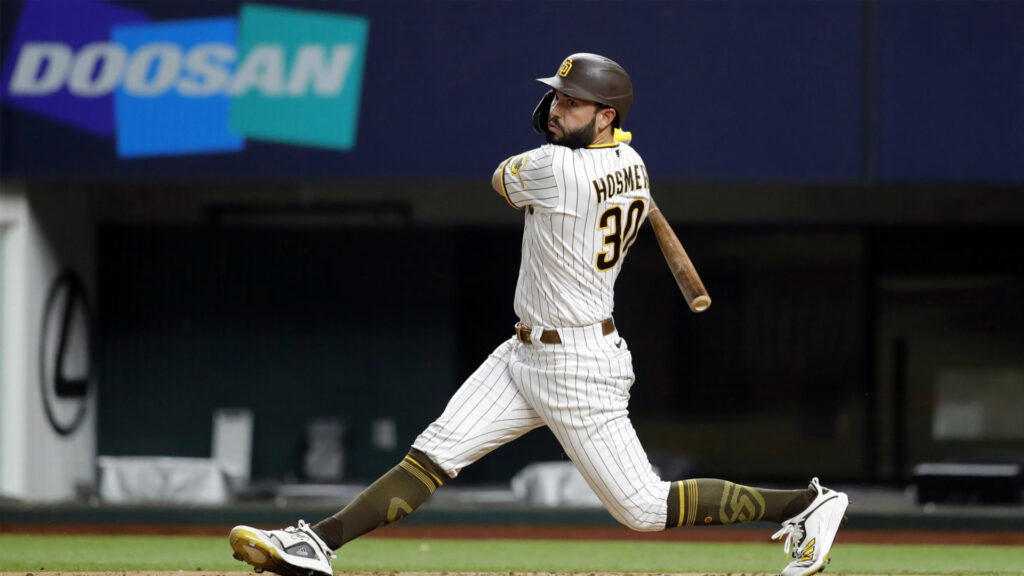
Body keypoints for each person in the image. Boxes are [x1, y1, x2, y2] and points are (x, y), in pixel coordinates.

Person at [228, 53, 849, 576]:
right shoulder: (630, 164)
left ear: (607, 116)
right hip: (524, 353)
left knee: (644, 508)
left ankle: (806, 503)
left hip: (579, 364)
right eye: (557, 98)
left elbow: (500, 179)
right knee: (433, 454)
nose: (555, 109)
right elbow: (595, 158)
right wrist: (591, 139)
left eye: (573, 103)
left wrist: (564, 144)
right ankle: (317, 545)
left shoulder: (555, 167)